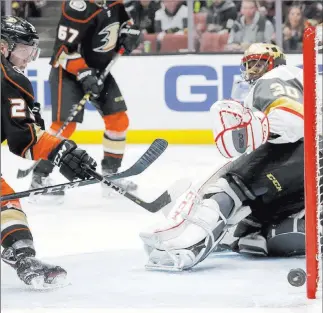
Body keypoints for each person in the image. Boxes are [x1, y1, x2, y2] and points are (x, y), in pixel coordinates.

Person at [140, 43, 310, 271]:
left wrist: (264, 126)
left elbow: (295, 120)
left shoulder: (278, 76)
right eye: (249, 65)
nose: (253, 70)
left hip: (305, 154)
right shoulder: (305, 80)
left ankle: (187, 246)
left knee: (230, 184)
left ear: (275, 63)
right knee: (250, 231)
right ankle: (278, 227)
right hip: (307, 180)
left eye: (259, 64)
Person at [1, 16, 97, 288]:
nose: (28, 57)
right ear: (3, 47)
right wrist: (62, 152)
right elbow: (23, 140)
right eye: (23, 49)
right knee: (5, 201)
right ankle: (22, 254)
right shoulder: (10, 78)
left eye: (32, 50)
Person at [30, 0, 141, 201]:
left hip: (99, 72)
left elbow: (125, 24)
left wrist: (130, 34)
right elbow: (62, 51)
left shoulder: (114, 2)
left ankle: (111, 175)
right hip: (69, 73)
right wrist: (83, 72)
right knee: (65, 126)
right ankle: (39, 177)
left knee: (118, 120)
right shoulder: (77, 7)